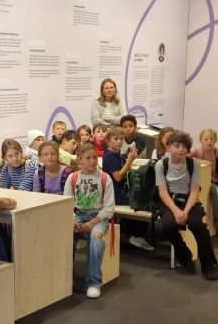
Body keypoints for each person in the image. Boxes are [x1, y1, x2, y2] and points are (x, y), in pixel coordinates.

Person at [153, 131, 218, 280]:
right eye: (177, 146)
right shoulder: (161, 165)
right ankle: (185, 257)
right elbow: (163, 192)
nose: (181, 149)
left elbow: (195, 190)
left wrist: (186, 211)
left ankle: (209, 265)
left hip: (189, 201)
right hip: (170, 202)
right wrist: (176, 211)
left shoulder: (193, 164)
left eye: (184, 146)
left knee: (198, 226)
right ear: (168, 147)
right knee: (167, 225)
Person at [65, 144, 115, 299]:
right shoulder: (73, 178)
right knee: (66, 238)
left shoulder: (105, 178)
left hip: (99, 218)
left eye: (94, 157)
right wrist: (72, 220)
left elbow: (109, 208)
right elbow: (67, 203)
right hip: (78, 216)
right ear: (79, 160)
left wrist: (92, 223)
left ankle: (94, 283)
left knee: (96, 239)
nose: (92, 161)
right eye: (88, 158)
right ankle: (67, 277)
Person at [102, 127, 154, 252]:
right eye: (116, 139)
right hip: (114, 194)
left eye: (121, 139)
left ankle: (128, 233)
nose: (119, 142)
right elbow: (118, 177)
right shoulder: (109, 157)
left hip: (120, 191)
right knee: (142, 202)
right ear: (108, 141)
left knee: (142, 196)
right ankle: (136, 235)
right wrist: (130, 160)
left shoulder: (117, 155)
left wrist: (130, 159)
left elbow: (125, 169)